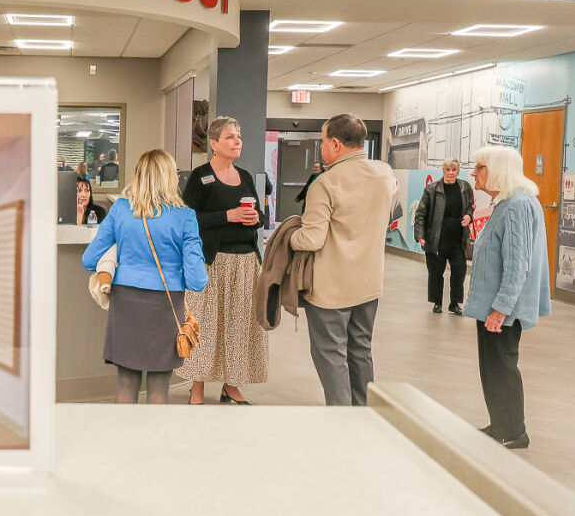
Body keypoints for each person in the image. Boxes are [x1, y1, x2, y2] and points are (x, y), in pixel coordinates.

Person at [81, 149, 207, 404]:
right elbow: (197, 281)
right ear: (170, 178)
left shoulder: (120, 210)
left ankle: (122, 431)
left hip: (126, 303)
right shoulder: (185, 216)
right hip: (166, 305)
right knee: (159, 387)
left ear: (138, 176)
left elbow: (89, 259)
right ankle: (154, 432)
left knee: (126, 384)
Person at [290, 113, 395, 406]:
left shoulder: (325, 183)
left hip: (331, 289)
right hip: (369, 284)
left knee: (331, 354)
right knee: (361, 350)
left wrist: (288, 236)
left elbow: (312, 239)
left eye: (323, 141)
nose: (322, 146)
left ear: (336, 144)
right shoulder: (385, 173)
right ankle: (362, 413)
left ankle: (341, 417)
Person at [463, 146, 551, 450]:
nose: (474, 173)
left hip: (503, 309)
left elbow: (517, 265)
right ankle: (501, 424)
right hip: (495, 306)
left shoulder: (516, 206)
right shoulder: (509, 203)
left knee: (501, 367)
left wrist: (500, 309)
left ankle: (513, 431)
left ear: (497, 170)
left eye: (480, 167)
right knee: (493, 367)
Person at [177, 116, 269, 405]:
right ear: (214, 144)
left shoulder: (246, 177)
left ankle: (232, 385)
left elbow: (260, 215)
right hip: (211, 263)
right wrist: (227, 216)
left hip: (245, 263)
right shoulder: (200, 177)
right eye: (230, 137)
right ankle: (197, 386)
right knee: (205, 325)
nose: (237, 141)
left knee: (240, 327)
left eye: (239, 136)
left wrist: (256, 219)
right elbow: (187, 219)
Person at [413, 158, 475, 315]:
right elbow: (420, 214)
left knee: (459, 271)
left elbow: (470, 206)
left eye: (454, 170)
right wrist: (420, 235)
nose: (451, 173)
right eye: (448, 170)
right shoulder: (432, 190)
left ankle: (454, 304)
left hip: (458, 239)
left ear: (458, 171)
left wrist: (469, 215)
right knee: (436, 272)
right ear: (443, 170)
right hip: (437, 239)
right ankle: (437, 303)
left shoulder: (465, 187)